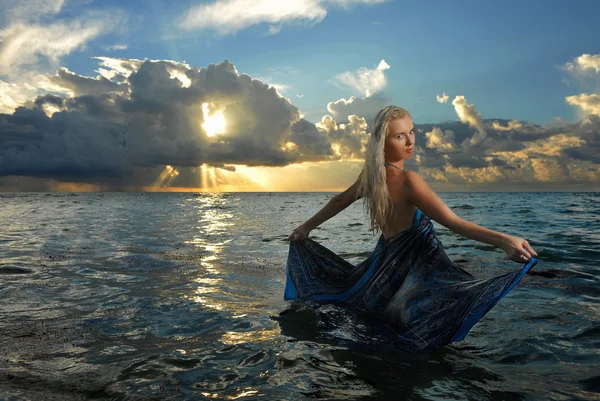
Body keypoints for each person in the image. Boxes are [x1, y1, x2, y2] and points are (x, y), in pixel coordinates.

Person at [284, 105, 538, 352]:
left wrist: (305, 228)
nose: (409, 141)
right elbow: (453, 222)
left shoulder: (372, 178)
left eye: (412, 131)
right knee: (446, 309)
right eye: (399, 136)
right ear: (383, 143)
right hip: (416, 266)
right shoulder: (409, 181)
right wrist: (504, 240)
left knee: (382, 319)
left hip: (385, 266)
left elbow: (338, 201)